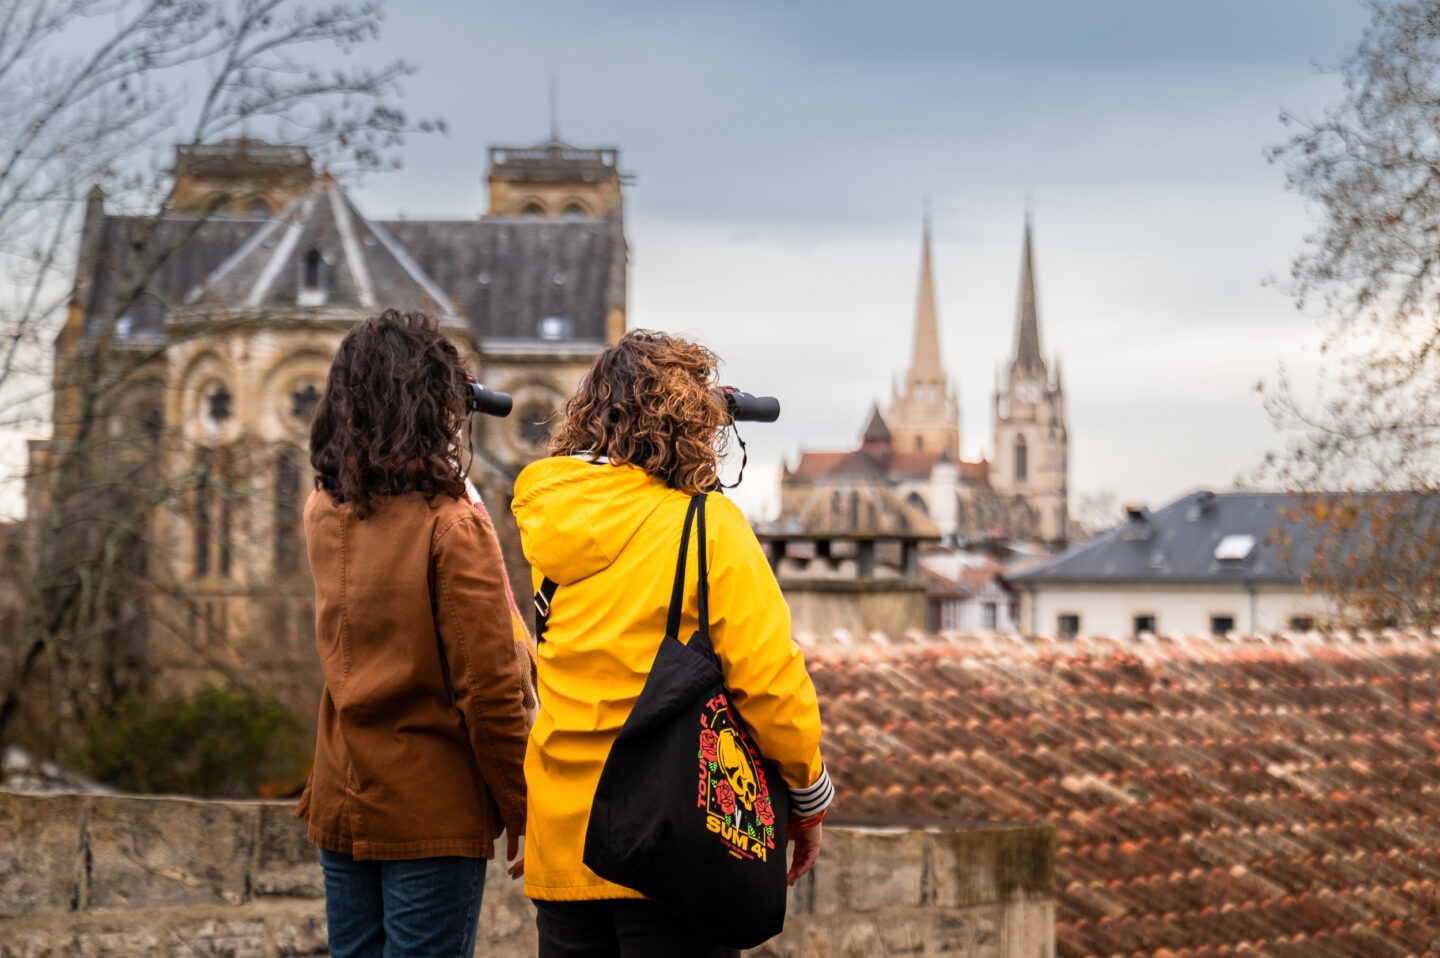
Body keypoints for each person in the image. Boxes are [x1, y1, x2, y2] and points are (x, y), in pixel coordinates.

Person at [512, 329, 832, 958]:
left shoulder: (552, 528)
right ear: (692, 420)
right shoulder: (708, 524)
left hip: (564, 838)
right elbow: (768, 679)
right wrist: (809, 792)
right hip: (671, 835)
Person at [297, 309, 532, 958]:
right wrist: (521, 809)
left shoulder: (324, 507)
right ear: (434, 402)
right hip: (430, 810)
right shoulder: (452, 525)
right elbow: (488, 691)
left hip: (342, 793)